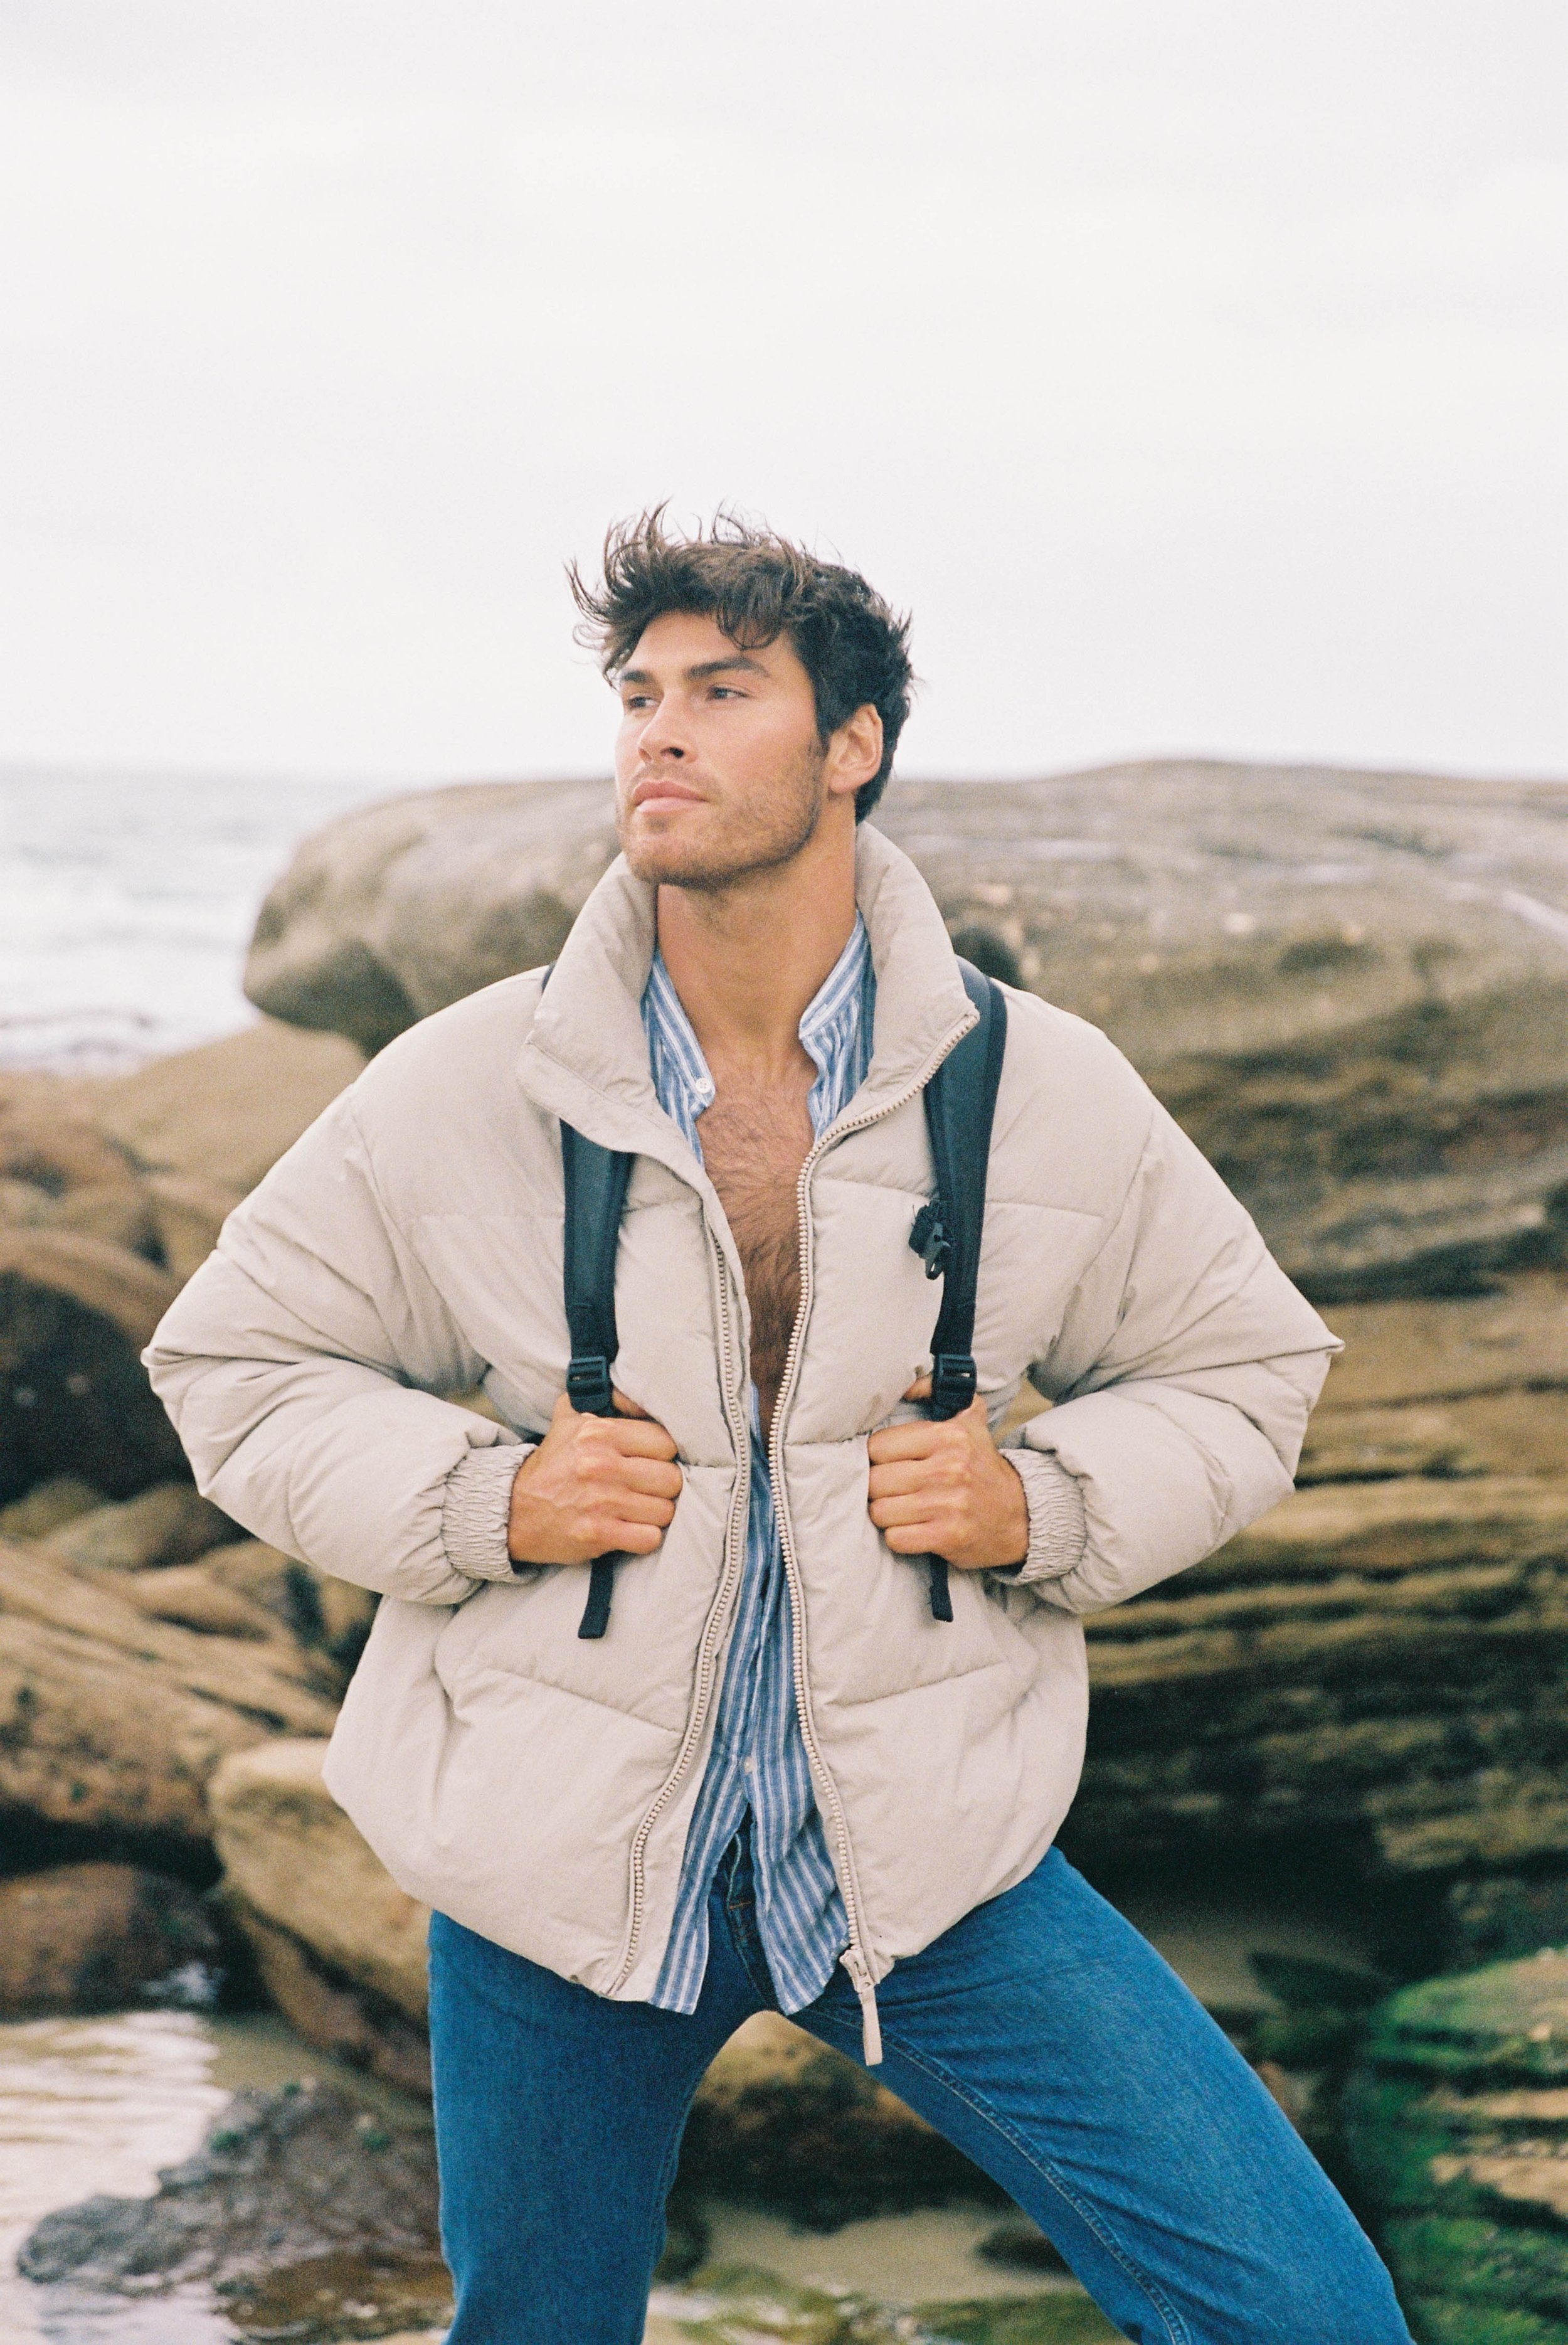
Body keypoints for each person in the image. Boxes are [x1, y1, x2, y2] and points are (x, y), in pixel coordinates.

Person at [146, 513, 1413, 2345]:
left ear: (851, 746)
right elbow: (233, 1359)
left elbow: (1245, 1369)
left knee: (1304, 2311)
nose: (656, 731)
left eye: (721, 692)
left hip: (927, 1858)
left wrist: (1038, 1507)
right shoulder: (470, 1079)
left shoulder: (1039, 1086)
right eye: (638, 693)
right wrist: (482, 1496)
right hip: (553, 1868)